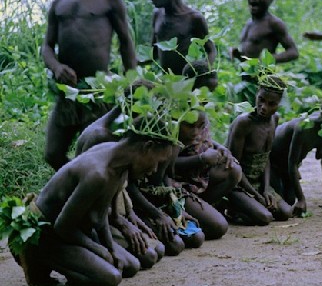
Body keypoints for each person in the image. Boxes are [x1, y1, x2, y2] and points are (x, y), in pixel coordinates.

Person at [16, 128, 174, 286]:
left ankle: (78, 264)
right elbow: (62, 227)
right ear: (147, 147)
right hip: (48, 231)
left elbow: (101, 213)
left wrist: (110, 247)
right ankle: (36, 254)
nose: (155, 169)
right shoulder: (98, 173)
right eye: (157, 161)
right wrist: (101, 250)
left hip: (76, 228)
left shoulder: (120, 163)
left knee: (132, 265)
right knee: (110, 278)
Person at [41, 0, 137, 171]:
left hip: (98, 92)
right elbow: (47, 47)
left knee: (94, 153)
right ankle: (74, 183)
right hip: (69, 92)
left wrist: (132, 82)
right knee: (53, 154)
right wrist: (57, 67)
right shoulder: (59, 4)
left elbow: (125, 42)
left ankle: (94, 195)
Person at [75, 107, 165, 270]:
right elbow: (92, 202)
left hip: (107, 213)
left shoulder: (125, 139)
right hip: (90, 216)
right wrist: (119, 224)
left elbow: (119, 185)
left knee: (157, 249)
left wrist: (130, 215)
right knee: (144, 258)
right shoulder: (101, 137)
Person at [270, 95, 322, 214]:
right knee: (282, 207)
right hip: (272, 163)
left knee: (289, 200)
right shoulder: (304, 129)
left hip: (287, 167)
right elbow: (292, 163)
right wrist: (301, 199)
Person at [226, 76, 293, 225]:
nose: (264, 107)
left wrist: (267, 189)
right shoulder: (244, 123)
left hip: (258, 183)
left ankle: (249, 206)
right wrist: (256, 195)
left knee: (286, 212)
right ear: (256, 94)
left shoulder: (274, 119)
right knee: (265, 217)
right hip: (238, 183)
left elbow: (265, 158)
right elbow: (233, 167)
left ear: (278, 104)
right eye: (261, 100)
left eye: (271, 104)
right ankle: (231, 208)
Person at [173, 110, 242, 239]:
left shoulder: (199, 116)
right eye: (190, 126)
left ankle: (202, 208)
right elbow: (166, 166)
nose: (196, 132)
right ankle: (188, 215)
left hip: (197, 179)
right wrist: (201, 159)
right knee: (219, 227)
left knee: (233, 169)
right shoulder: (171, 130)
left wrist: (220, 147)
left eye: (200, 127)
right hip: (177, 186)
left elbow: (204, 139)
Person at [149, 0, 216, 75]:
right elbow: (153, 53)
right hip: (166, 82)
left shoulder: (194, 18)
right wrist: (130, 60)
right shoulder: (157, 15)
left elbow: (211, 50)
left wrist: (204, 71)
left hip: (189, 83)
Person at [231, 0, 298, 64]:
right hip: (245, 76)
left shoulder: (273, 23)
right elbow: (249, 57)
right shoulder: (249, 24)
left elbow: (293, 52)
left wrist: (265, 61)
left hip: (264, 77)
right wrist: (237, 55)